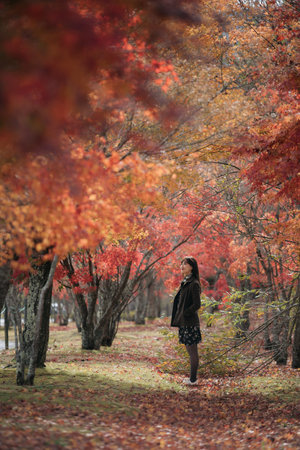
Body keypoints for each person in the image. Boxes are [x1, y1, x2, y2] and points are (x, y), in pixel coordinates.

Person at [171, 256, 201, 385]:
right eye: (181, 263)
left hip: (190, 323)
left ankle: (193, 380)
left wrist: (185, 313)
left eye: (185, 264)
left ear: (192, 267)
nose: (182, 266)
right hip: (184, 322)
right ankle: (192, 378)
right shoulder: (185, 282)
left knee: (192, 351)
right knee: (190, 352)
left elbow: (197, 304)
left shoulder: (194, 283)